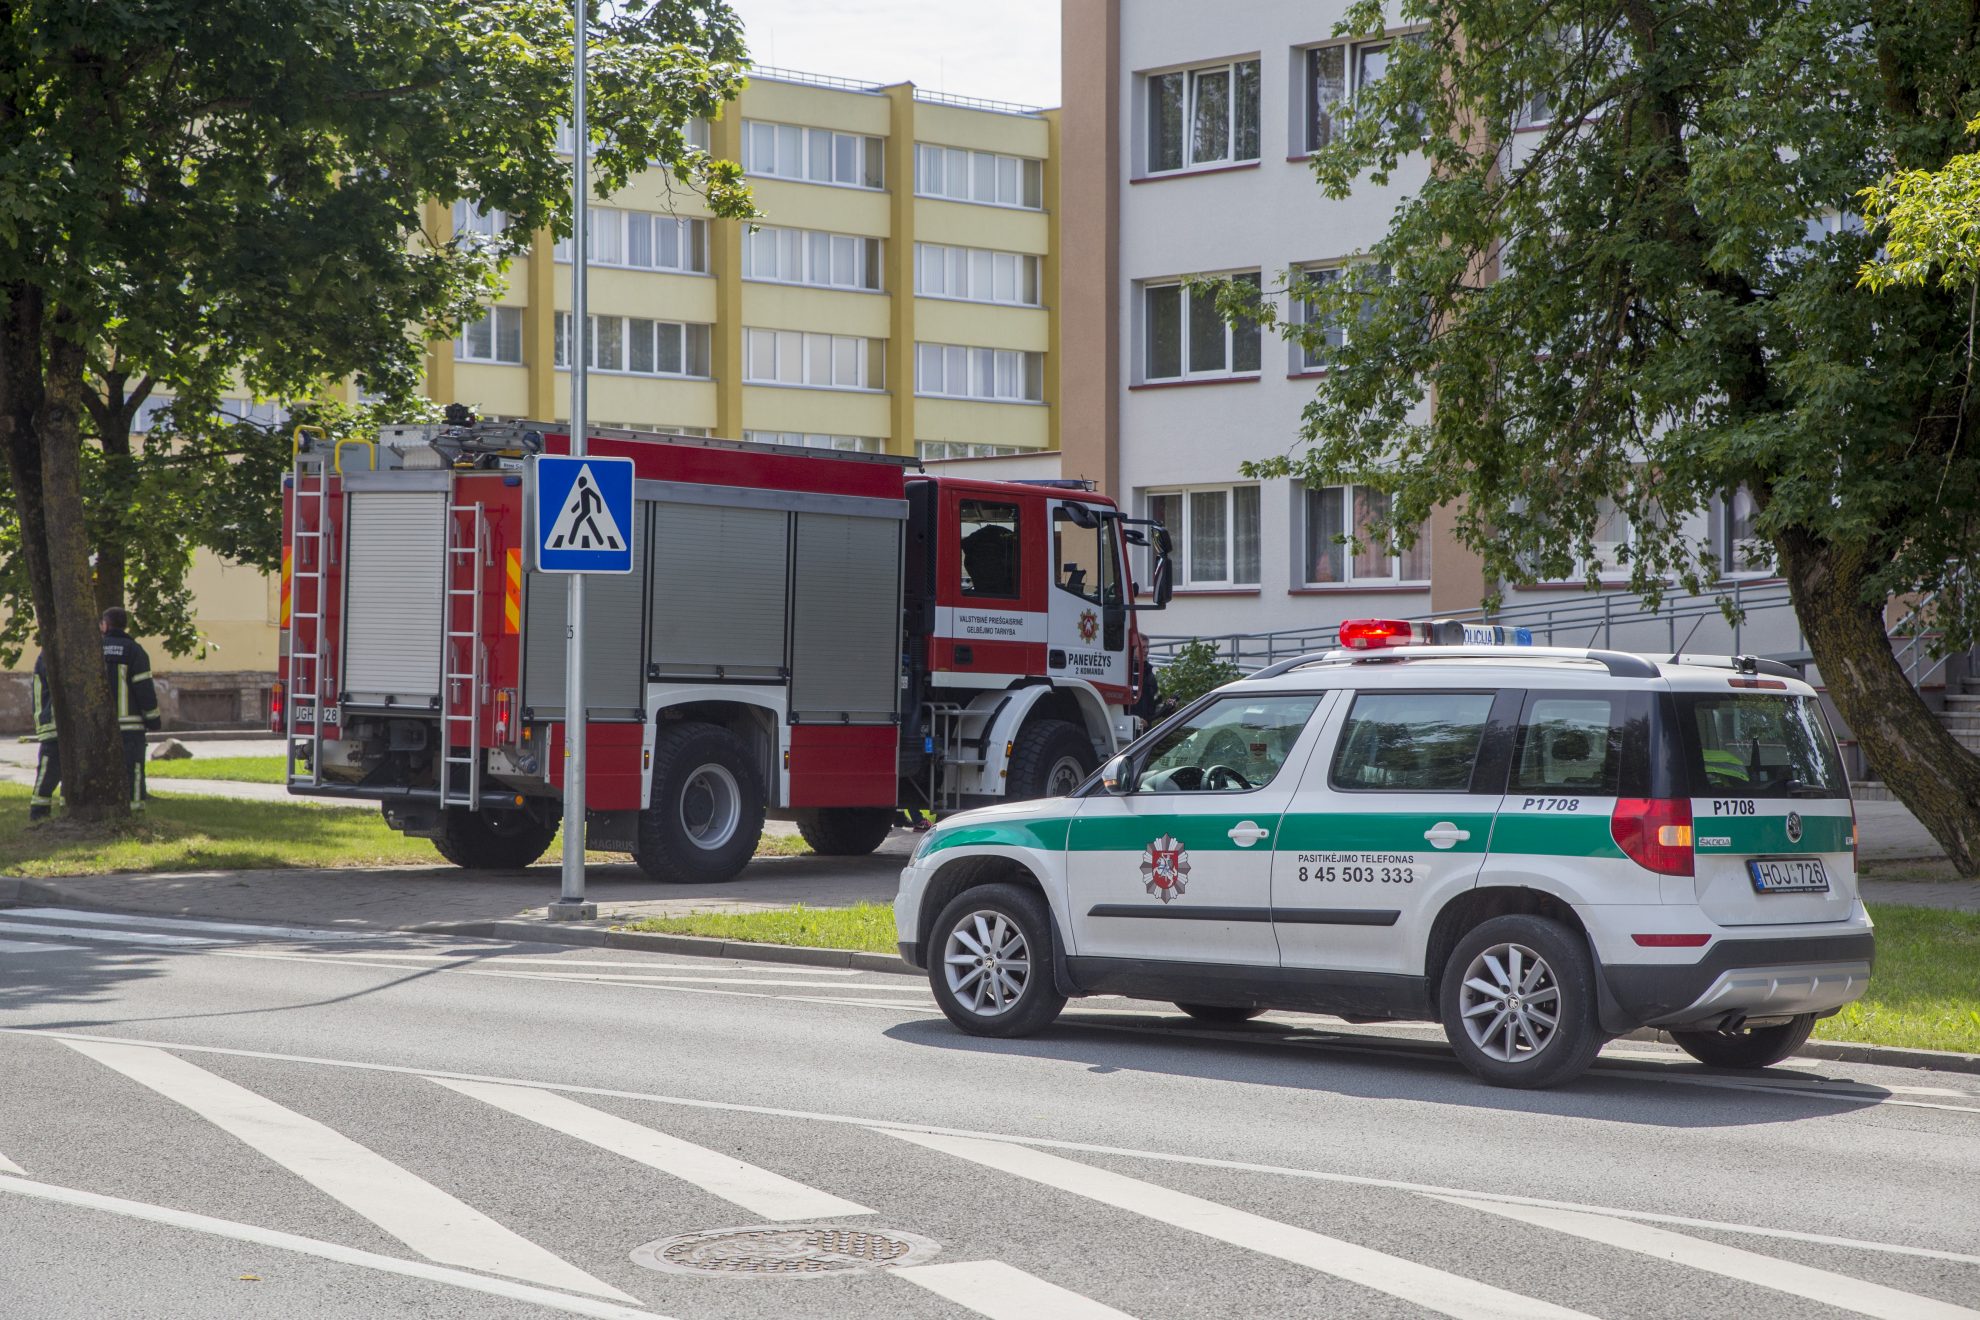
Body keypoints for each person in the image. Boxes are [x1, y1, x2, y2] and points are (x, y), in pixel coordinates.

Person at [100, 607, 162, 809]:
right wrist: (153, 720)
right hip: (130, 727)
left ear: (105, 625)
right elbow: (144, 689)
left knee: (102, 770)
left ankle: (106, 809)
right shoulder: (135, 651)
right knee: (133, 771)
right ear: (125, 625)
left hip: (99, 726)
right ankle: (135, 811)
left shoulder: (93, 650)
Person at [28, 651, 59, 820]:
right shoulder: (51, 654)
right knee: (48, 771)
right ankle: (38, 812)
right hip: (52, 722)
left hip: (54, 722)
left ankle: (49, 808)